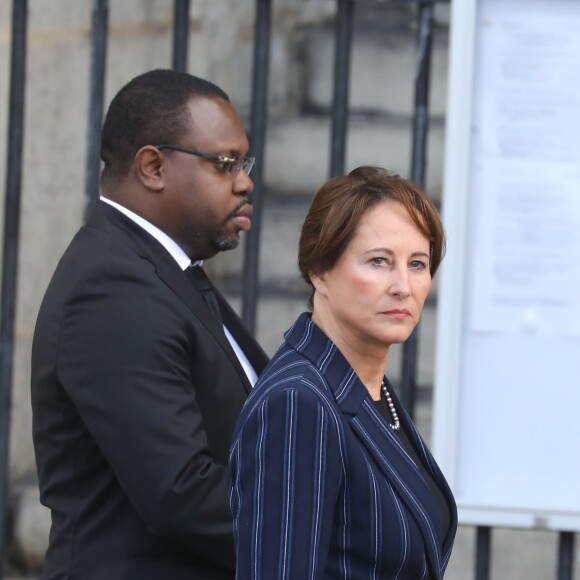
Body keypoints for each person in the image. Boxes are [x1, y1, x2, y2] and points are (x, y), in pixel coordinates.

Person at [31, 69, 268, 579]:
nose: (245, 181)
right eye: (224, 163)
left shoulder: (159, 273)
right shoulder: (114, 290)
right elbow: (180, 491)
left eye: (243, 163)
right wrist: (319, 540)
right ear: (153, 167)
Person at [229, 166, 457, 579]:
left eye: (418, 264)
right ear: (320, 270)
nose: (403, 286)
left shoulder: (366, 389)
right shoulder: (299, 403)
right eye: (378, 261)